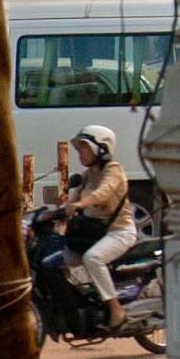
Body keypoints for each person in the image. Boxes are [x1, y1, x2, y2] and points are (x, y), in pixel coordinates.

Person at [57, 125, 135, 328]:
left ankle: (115, 307)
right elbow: (71, 201)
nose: (80, 153)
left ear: (100, 149)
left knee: (93, 258)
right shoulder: (87, 175)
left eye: (84, 148)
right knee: (58, 258)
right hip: (94, 234)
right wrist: (53, 213)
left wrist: (82, 204)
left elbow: (104, 192)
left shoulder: (114, 170)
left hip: (118, 232)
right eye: (80, 148)